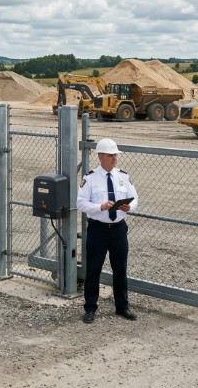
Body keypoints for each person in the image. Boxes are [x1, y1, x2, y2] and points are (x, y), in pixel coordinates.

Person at [78, 138, 138, 323]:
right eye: (111, 155)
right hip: (98, 230)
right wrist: (100, 207)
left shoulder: (123, 177)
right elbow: (80, 203)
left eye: (116, 155)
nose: (115, 159)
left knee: (120, 268)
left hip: (118, 230)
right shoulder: (90, 178)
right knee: (93, 269)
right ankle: (90, 308)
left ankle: (122, 306)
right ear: (101, 157)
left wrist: (130, 207)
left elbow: (134, 197)